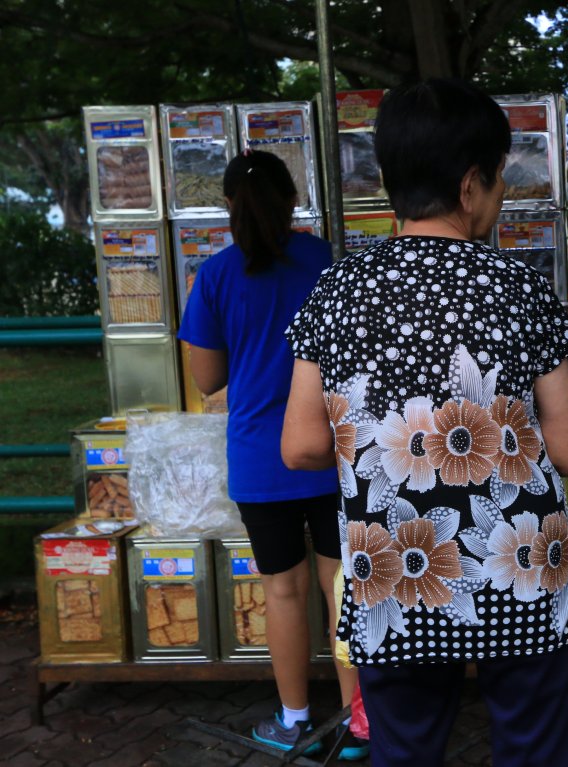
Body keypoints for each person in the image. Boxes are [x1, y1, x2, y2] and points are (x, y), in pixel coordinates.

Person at [282, 78, 568, 767]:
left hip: (393, 577)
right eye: (501, 177)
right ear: (472, 184)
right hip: (526, 575)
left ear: (389, 178)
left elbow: (300, 444)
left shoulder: (336, 288)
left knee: (406, 752)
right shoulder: (520, 288)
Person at [178, 149, 366, 760]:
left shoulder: (214, 276)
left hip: (261, 461)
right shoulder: (323, 260)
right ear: (292, 201)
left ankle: (293, 721)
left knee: (284, 592)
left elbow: (207, 379)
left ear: (229, 205)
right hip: (332, 450)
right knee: (342, 586)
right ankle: (358, 725)